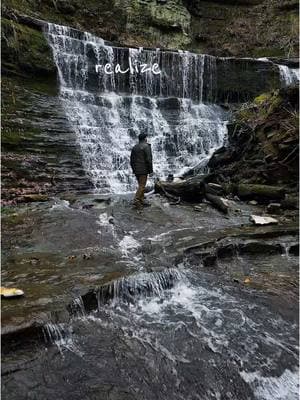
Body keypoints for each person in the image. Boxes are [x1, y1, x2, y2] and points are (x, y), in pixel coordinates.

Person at [130, 133, 153, 209]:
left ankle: (141, 200)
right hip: (143, 169)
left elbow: (131, 160)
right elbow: (149, 160)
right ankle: (136, 200)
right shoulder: (146, 146)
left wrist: (133, 169)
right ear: (145, 138)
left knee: (140, 185)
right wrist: (150, 171)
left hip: (136, 169)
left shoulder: (134, 147)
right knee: (142, 186)